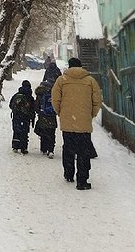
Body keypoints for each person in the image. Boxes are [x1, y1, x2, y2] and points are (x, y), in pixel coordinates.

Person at [52, 57, 103, 190]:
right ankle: (82, 180)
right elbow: (97, 100)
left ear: (69, 66)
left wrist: (61, 113)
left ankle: (69, 173)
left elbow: (55, 99)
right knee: (83, 152)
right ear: (81, 66)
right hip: (84, 123)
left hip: (68, 122)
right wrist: (91, 114)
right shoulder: (90, 81)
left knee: (68, 148)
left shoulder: (61, 80)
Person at [8, 80, 36, 154]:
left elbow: (10, 105)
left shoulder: (16, 95)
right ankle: (23, 148)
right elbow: (33, 108)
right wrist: (31, 116)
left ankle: (15, 146)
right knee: (24, 132)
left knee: (16, 131)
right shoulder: (30, 97)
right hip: (26, 117)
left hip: (16, 116)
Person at [34, 80, 58, 158]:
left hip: (43, 117)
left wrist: (39, 112)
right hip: (52, 117)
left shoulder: (40, 94)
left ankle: (44, 149)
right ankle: (51, 150)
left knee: (43, 133)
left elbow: (36, 107)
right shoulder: (54, 94)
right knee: (51, 133)